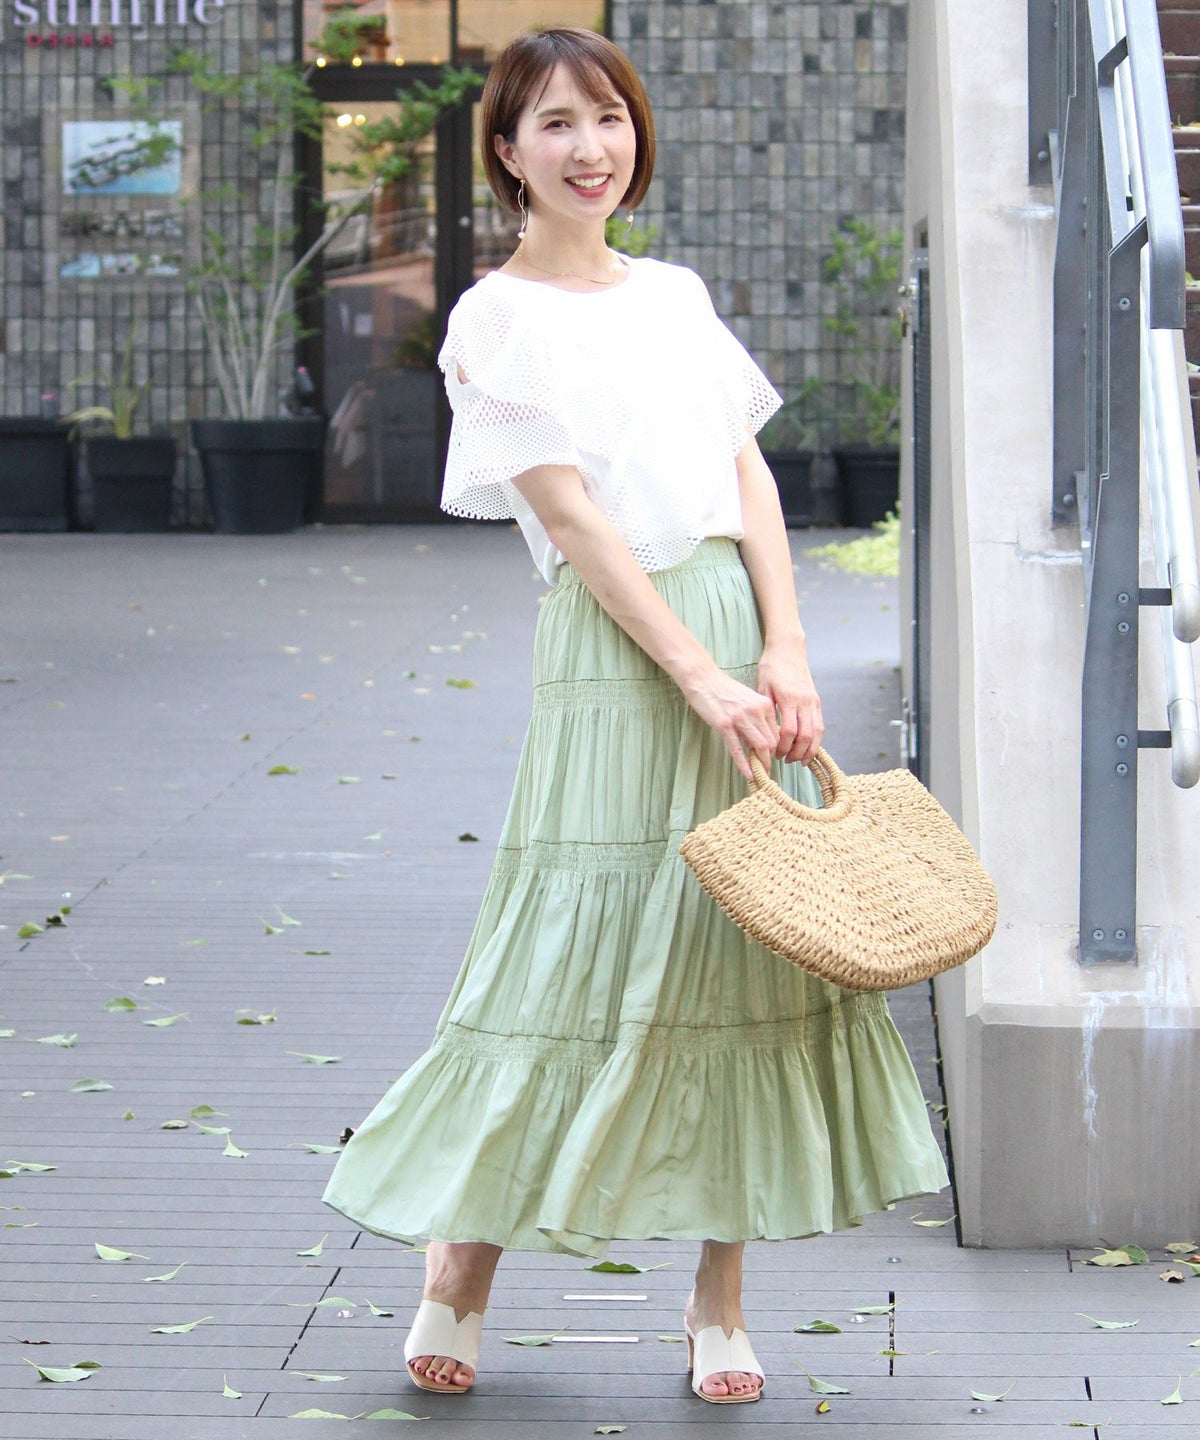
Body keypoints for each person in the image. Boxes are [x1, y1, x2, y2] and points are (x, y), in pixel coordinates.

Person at [323, 26, 948, 1406]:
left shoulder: (674, 294)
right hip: (619, 651)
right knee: (563, 949)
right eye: (554, 123)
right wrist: (698, 677)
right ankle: (460, 1266)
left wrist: (785, 647)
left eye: (607, 117)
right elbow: (572, 521)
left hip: (731, 622)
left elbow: (746, 475)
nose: (589, 146)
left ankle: (719, 1297)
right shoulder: (493, 317)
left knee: (742, 949)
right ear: (507, 152)